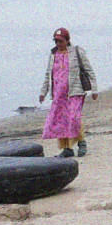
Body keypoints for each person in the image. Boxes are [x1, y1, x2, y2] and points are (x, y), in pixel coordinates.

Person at [38, 27, 98, 157]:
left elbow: (89, 70)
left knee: (74, 118)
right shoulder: (53, 55)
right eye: (56, 41)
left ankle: (81, 141)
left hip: (75, 91)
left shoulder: (77, 52)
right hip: (59, 94)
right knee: (61, 121)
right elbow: (48, 74)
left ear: (67, 40)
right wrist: (43, 92)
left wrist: (94, 89)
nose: (58, 44)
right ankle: (67, 148)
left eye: (60, 41)